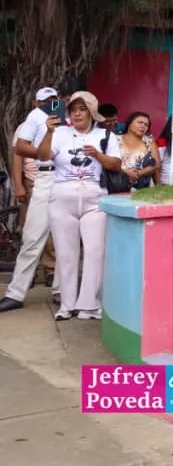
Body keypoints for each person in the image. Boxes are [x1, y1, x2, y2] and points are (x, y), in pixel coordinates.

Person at [37, 91, 121, 321]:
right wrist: (48, 132)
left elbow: (116, 164)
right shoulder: (60, 133)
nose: (76, 113)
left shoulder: (105, 135)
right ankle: (67, 304)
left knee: (94, 250)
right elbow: (43, 156)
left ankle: (90, 305)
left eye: (82, 109)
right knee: (66, 253)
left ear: (92, 112)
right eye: (73, 109)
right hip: (63, 193)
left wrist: (98, 155)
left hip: (94, 194)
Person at [0, 87, 62, 313]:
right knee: (32, 237)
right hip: (43, 177)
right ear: (36, 103)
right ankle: (15, 294)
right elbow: (19, 149)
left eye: (54, 100)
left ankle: (60, 291)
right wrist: (46, 149)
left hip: (67, 178)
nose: (51, 104)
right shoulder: (34, 118)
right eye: (46, 101)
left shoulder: (72, 118)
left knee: (65, 241)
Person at [118, 112, 161, 190]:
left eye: (146, 125)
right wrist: (127, 173)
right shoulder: (116, 139)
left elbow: (157, 164)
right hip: (118, 184)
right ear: (129, 123)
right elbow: (111, 162)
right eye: (140, 122)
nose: (143, 126)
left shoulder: (149, 141)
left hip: (143, 188)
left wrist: (138, 174)